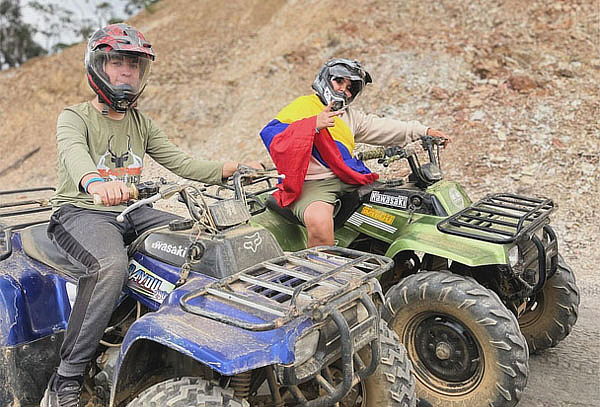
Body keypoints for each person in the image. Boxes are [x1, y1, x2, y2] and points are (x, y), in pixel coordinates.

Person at [41, 23, 259, 407]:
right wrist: (95, 182)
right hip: (80, 211)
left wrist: (232, 167)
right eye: (118, 63)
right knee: (110, 266)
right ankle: (67, 377)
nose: (127, 72)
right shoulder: (73, 116)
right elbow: (73, 153)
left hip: (130, 211)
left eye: (134, 66)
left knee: (197, 238)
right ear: (98, 67)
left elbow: (182, 161)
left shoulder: (141, 123)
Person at [260, 58, 449, 247]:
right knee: (320, 222)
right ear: (326, 78)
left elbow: (381, 127)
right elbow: (274, 137)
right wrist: (313, 125)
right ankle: (323, 270)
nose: (343, 89)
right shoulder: (302, 107)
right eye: (339, 81)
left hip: (347, 176)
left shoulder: (349, 116)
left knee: (396, 204)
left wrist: (423, 131)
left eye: (350, 87)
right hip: (311, 183)